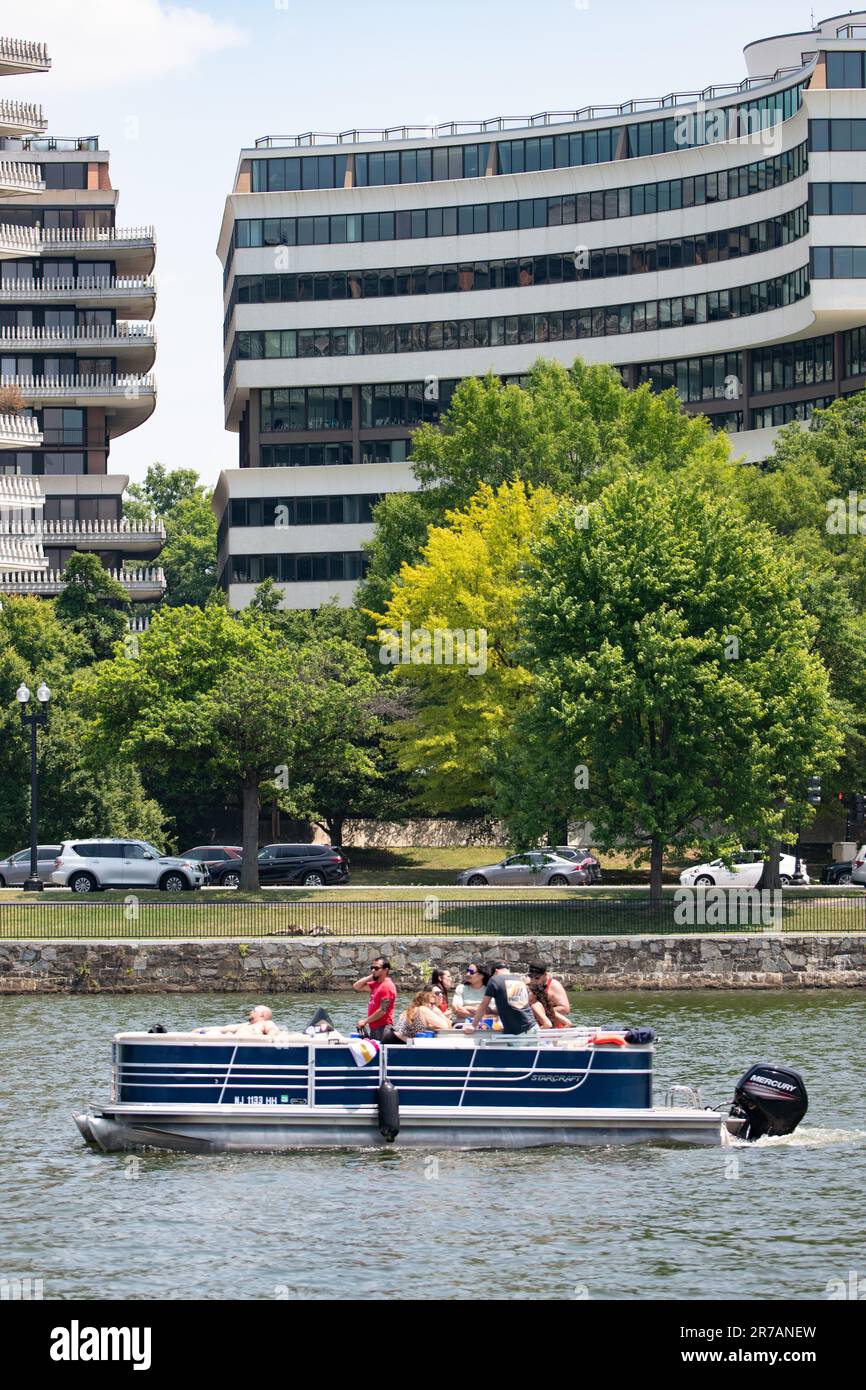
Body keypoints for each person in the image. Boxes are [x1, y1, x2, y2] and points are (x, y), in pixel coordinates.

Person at [472, 962, 538, 1036]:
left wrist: (473, 1026)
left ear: (496, 971)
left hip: (517, 1032)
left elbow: (483, 1005)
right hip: (533, 1027)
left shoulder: (494, 979)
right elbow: (516, 1006)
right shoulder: (519, 981)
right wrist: (493, 1012)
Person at [352, 956, 397, 1039]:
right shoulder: (375, 984)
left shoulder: (387, 986)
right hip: (374, 1028)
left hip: (383, 1029)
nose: (373, 970)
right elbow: (356, 986)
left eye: (376, 968)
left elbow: (382, 1010)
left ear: (385, 970)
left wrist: (365, 1021)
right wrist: (372, 976)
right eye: (372, 968)